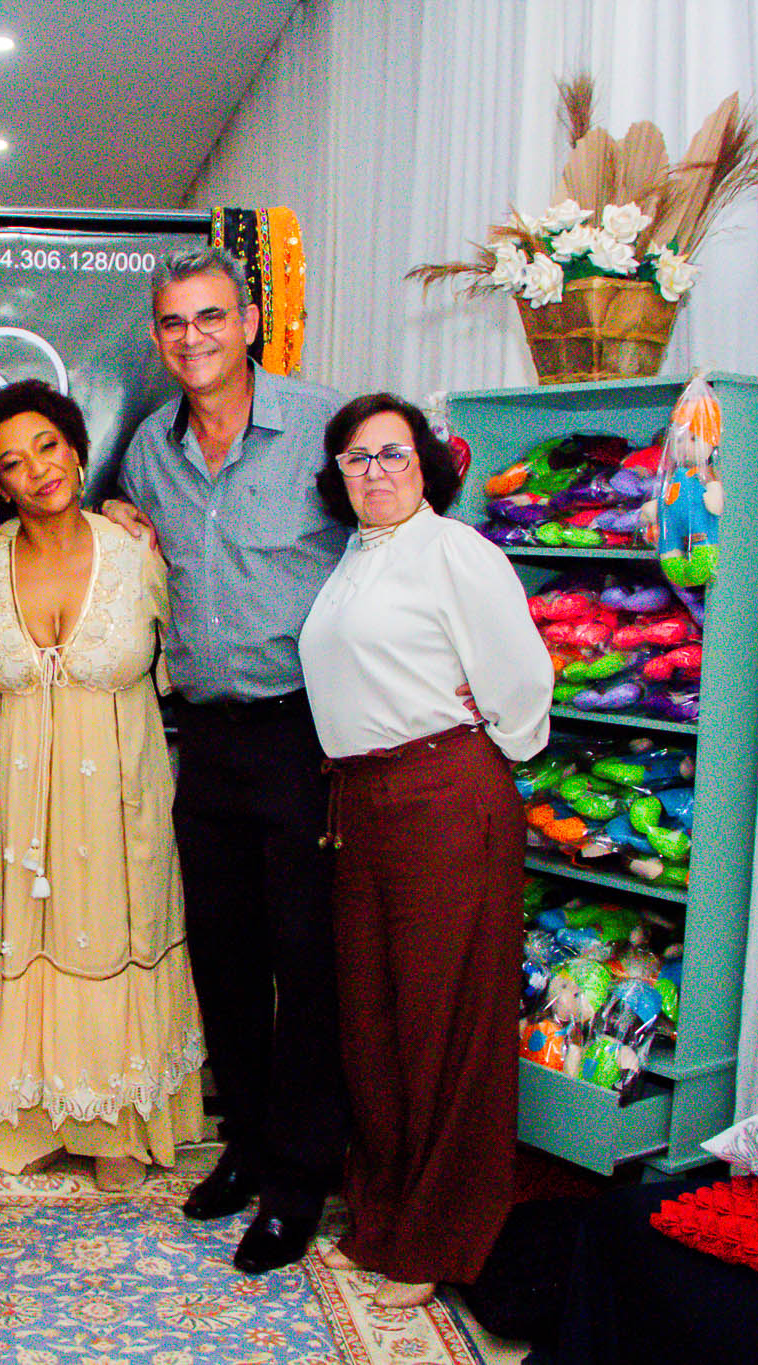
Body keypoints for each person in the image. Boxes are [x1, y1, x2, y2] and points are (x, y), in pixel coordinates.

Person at [101, 245, 351, 1273]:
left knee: (307, 964)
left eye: (210, 317)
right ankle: (246, 1146)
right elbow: (123, 537)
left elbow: (398, 535)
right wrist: (117, 517)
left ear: (248, 323)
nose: (192, 337)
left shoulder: (324, 427)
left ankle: (299, 1181)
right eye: (173, 322)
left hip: (305, 735)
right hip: (204, 741)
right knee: (226, 960)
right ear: (158, 338)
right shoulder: (150, 448)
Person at [298, 392, 551, 1307]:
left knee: (445, 1027)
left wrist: (479, 747)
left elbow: (523, 684)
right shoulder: (355, 556)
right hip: (363, 804)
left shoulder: (456, 551)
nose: (375, 471)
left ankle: (440, 1238)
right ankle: (381, 1219)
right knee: (373, 1020)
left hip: (444, 797)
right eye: (357, 457)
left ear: (427, 464)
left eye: (393, 453)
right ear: (338, 474)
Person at [0, 380, 204, 1190]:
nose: (39, 469)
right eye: (13, 461)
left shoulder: (139, 552)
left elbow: (185, 666)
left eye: (48, 445)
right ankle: (23, 1115)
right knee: (10, 935)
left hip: (116, 804)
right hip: (1, 804)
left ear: (77, 450)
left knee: (110, 935)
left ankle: (116, 1120)